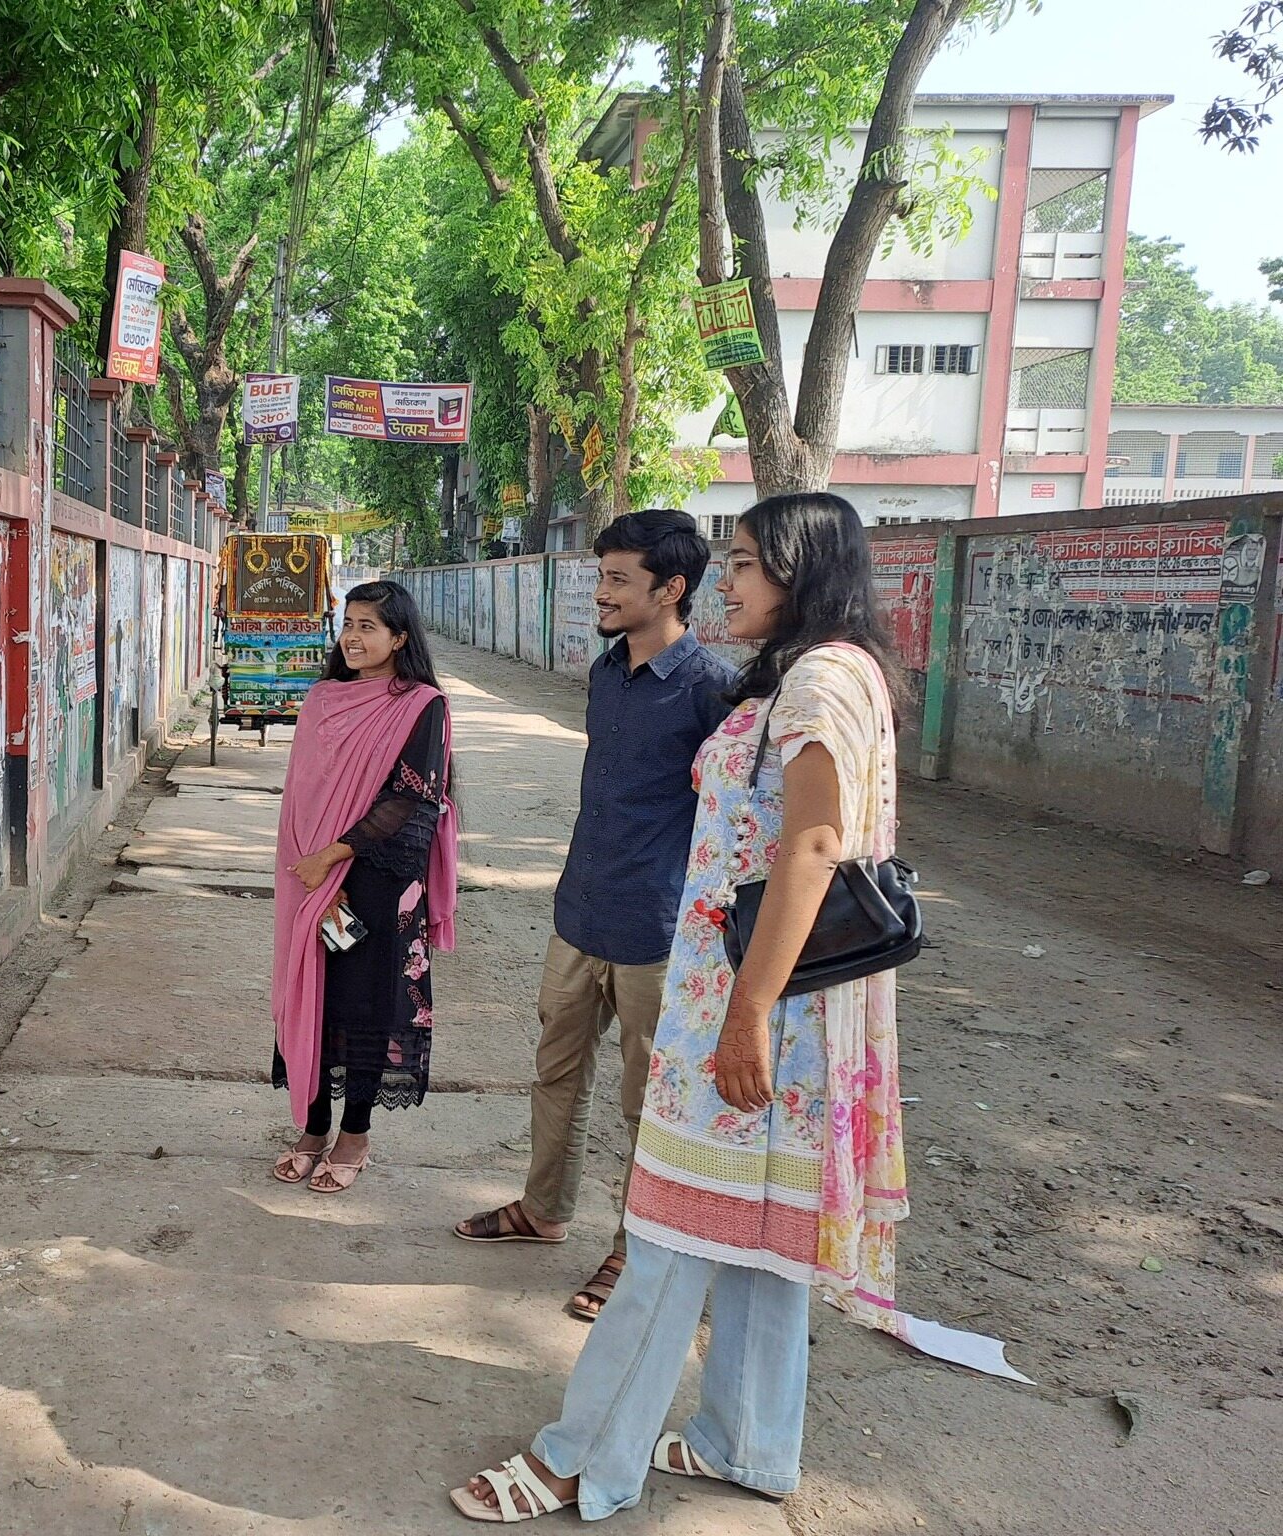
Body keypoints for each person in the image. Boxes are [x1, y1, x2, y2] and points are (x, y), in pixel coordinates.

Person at [451, 492, 910, 1522]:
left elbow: (810, 849)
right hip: (765, 1011)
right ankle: (743, 1441)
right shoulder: (808, 675)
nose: (727, 582)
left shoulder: (819, 680)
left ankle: (582, 1457)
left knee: (663, 1236)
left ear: (799, 573)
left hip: (752, 1017)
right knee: (755, 1240)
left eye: (744, 562)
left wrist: (744, 1014)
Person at [454, 510, 733, 1323]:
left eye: (617, 579)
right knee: (556, 1075)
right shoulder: (605, 674)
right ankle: (543, 1211)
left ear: (670, 589)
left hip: (659, 929)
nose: (599, 592)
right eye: (598, 576)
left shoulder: (712, 691)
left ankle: (634, 1247)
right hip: (579, 913)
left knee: (647, 1101)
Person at [271, 581, 458, 1195]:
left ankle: (354, 1133)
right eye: (348, 623)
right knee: (315, 996)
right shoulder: (323, 699)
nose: (352, 636)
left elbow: (412, 799)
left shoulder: (422, 705)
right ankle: (312, 1126)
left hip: (377, 879)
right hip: (311, 875)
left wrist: (333, 857)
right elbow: (302, 790)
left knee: (365, 1002)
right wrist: (308, 861)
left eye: (369, 626)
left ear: (400, 638)